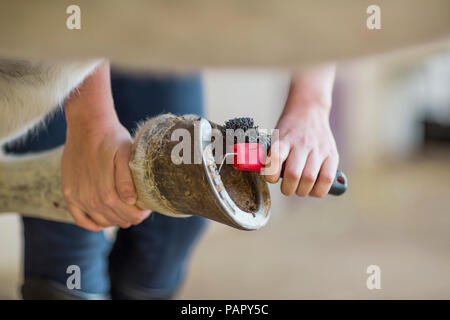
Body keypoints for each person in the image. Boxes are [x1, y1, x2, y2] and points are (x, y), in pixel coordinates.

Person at [5, 61, 338, 299]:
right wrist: (90, 119)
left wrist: (311, 104)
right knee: (77, 225)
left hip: (161, 24)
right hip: (56, 34)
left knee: (174, 224)